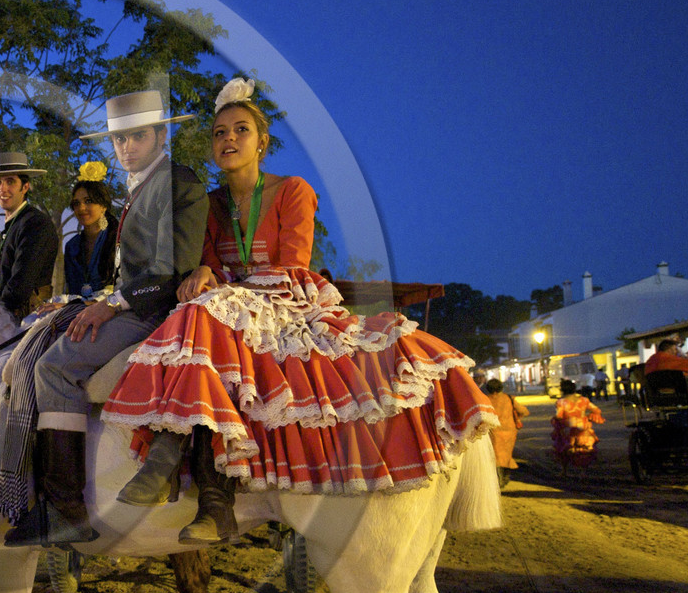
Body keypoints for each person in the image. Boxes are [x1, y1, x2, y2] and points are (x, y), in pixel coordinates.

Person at [102, 78, 495, 544]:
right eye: (219, 133)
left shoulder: (292, 190)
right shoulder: (209, 203)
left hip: (284, 297)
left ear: (262, 143)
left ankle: (178, 468)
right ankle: (207, 494)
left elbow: (292, 262)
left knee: (204, 316)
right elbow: (207, 260)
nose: (228, 139)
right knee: (193, 314)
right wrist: (206, 272)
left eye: (240, 130)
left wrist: (220, 282)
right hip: (227, 300)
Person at [5, 90, 207, 546]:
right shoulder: (142, 186)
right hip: (133, 303)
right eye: (119, 140)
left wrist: (111, 304)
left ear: (161, 134)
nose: (127, 148)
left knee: (54, 366)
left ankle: (64, 508)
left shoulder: (178, 182)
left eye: (137, 136)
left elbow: (171, 270)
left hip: (157, 311)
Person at [0, 152, 59, 321]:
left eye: (10, 181)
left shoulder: (35, 223)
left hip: (25, 323)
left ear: (25, 187)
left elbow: (21, 285)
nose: (2, 189)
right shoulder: (15, 223)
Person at [62, 172, 118, 299]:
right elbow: (72, 292)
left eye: (88, 201)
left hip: (113, 311)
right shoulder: (72, 246)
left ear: (103, 206)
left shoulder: (118, 239)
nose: (81, 208)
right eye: (76, 203)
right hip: (78, 311)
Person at [550, 378, 604, 473]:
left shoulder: (561, 402)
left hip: (568, 429)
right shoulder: (584, 400)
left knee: (563, 448)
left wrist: (555, 420)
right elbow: (597, 410)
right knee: (585, 449)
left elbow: (559, 416)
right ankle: (584, 470)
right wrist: (587, 417)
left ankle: (564, 470)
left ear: (562, 390)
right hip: (583, 428)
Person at [485, 378, 525, 487]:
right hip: (509, 432)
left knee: (495, 456)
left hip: (492, 432)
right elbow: (523, 411)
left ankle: (498, 478)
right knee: (506, 455)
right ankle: (505, 475)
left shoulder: (485, 400)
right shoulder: (509, 398)